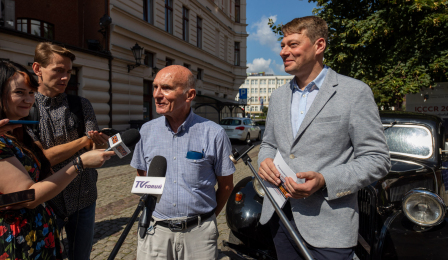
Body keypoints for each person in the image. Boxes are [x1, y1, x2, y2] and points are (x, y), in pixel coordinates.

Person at [257, 16, 391, 260]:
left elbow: (377, 159)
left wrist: (324, 180)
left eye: (293, 44)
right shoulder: (278, 97)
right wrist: (264, 160)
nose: (283, 51)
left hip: (329, 226)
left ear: (319, 46)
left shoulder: (354, 92)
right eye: (283, 44)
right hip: (279, 217)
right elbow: (269, 144)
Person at [0, 60, 115, 259]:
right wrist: (80, 163)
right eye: (19, 92)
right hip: (17, 241)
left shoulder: (18, 131)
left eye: (30, 92)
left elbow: (17, 197)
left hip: (39, 234)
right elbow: (29, 196)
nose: (28, 99)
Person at [131, 65, 235, 260]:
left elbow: (227, 185)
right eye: (155, 87)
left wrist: (205, 221)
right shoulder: (145, 131)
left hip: (199, 236)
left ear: (190, 95)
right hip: (155, 232)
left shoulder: (213, 133)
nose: (156, 94)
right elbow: (142, 176)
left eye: (166, 88)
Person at [29, 42, 109, 260]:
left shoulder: (81, 104)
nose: (65, 77)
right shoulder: (27, 108)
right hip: (45, 203)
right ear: (38, 69)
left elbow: (94, 146)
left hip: (84, 198)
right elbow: (43, 158)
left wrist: (99, 144)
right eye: (58, 70)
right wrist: (84, 141)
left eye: (68, 72)